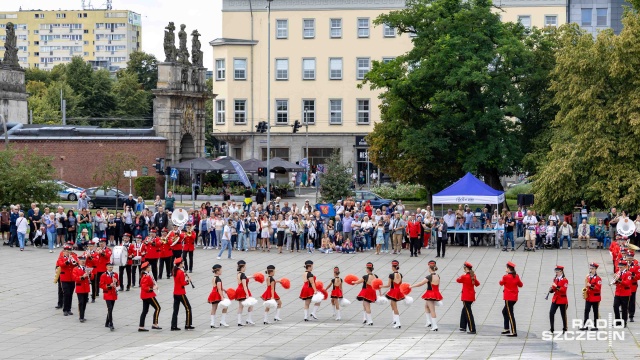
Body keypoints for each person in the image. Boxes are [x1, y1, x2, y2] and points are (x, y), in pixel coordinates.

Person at [411, 260, 442, 331]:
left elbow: (420, 284)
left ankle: (435, 326)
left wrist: (411, 286)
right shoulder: (438, 276)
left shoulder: (429, 277)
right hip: (435, 292)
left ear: (430, 269)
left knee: (432, 309)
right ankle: (428, 322)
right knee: (426, 306)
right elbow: (438, 285)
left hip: (430, 293)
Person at [171, 257, 194, 331]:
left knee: (175, 310)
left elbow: (178, 279)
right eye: (182, 263)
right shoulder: (180, 272)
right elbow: (183, 283)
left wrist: (184, 275)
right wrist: (188, 281)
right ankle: (188, 324)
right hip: (181, 293)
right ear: (180, 264)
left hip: (175, 292)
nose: (183, 264)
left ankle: (173, 326)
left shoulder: (175, 271)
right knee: (188, 308)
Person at [457, 262, 480, 334]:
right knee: (464, 310)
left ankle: (472, 329)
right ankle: (463, 326)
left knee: (468, 313)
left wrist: (461, 275)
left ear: (466, 268)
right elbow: (477, 284)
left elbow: (458, 280)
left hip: (466, 296)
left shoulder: (464, 276)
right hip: (471, 296)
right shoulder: (473, 275)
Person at [499, 261, 522, 337]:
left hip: (508, 298)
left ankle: (514, 331)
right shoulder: (516, 276)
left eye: (506, 267)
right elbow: (520, 284)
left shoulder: (505, 277)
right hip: (514, 297)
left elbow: (501, 283)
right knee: (504, 311)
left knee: (510, 314)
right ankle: (506, 328)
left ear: (509, 269)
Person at [380, 260, 405, 329]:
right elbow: (401, 284)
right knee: (392, 304)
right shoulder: (400, 274)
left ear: (393, 267)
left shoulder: (391, 275)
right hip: (398, 290)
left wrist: (381, 286)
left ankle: (398, 323)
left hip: (394, 291)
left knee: (395, 307)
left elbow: (388, 285)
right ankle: (394, 320)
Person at [138, 262, 161, 332]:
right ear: (146, 268)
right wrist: (153, 288)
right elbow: (145, 287)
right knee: (157, 308)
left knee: (145, 311)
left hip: (145, 295)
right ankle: (155, 324)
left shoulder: (147, 275)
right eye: (149, 267)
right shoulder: (146, 276)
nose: (150, 268)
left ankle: (141, 326)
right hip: (148, 295)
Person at [354, 262, 378, 326]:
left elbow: (358, 282)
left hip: (366, 291)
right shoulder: (375, 276)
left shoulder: (365, 277)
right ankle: (365, 318)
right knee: (365, 305)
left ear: (367, 269)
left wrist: (353, 282)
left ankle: (370, 321)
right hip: (372, 291)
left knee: (367, 306)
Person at [579, 262, 602, 330]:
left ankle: (595, 326)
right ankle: (585, 325)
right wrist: (585, 289)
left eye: (592, 269)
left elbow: (598, 288)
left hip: (595, 298)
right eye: (590, 268)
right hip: (589, 297)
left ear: (595, 269)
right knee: (586, 310)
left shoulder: (598, 278)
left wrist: (590, 285)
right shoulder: (588, 277)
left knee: (595, 311)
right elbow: (586, 285)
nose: (591, 270)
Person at [57, 245, 78, 316]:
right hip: (64, 278)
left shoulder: (74, 257)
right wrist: (68, 260)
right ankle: (65, 309)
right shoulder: (61, 257)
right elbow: (61, 264)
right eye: (67, 251)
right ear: (64, 251)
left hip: (72, 278)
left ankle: (69, 309)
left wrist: (73, 260)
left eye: (69, 251)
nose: (68, 252)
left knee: (71, 294)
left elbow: (77, 264)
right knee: (66, 293)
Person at [548, 265, 569, 333]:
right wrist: (551, 290)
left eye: (557, 272)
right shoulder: (555, 279)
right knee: (551, 313)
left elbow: (563, 290)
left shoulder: (565, 280)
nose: (556, 273)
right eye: (556, 272)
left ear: (561, 271)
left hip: (562, 299)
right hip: (555, 299)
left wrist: (556, 286)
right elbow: (554, 289)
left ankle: (565, 328)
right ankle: (552, 328)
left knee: (563, 314)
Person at [99, 263, 119, 331]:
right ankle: (111, 323)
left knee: (111, 309)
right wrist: (109, 285)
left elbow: (118, 284)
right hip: (107, 294)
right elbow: (101, 285)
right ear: (106, 267)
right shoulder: (103, 275)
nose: (111, 268)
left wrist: (116, 282)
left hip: (113, 294)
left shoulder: (115, 274)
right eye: (110, 267)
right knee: (110, 308)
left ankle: (107, 322)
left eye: (112, 267)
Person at [208, 264, 229, 328]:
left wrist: (224, 289)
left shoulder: (214, 278)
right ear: (217, 271)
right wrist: (222, 297)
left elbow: (216, 287)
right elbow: (219, 289)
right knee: (225, 307)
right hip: (217, 294)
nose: (221, 271)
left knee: (214, 308)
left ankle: (212, 323)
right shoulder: (218, 279)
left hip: (213, 294)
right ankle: (222, 321)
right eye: (221, 270)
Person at [613, 260, 633, 327]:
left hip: (625, 293)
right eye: (619, 267)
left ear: (625, 267)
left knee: (624, 308)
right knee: (615, 306)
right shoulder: (618, 272)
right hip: (618, 292)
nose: (620, 269)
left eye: (621, 267)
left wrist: (619, 279)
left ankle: (624, 322)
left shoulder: (628, 273)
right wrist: (615, 280)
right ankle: (618, 321)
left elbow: (627, 283)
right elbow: (616, 282)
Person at [235, 260, 254, 326]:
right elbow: (244, 285)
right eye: (245, 267)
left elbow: (245, 277)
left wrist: (252, 276)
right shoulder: (242, 275)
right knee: (251, 305)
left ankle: (239, 321)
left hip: (238, 290)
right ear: (242, 267)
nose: (245, 268)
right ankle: (249, 319)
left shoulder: (239, 274)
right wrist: (247, 295)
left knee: (240, 306)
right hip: (243, 290)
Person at [72, 255, 91, 323]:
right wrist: (82, 277)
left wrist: (90, 275)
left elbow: (92, 277)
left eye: (84, 261)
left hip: (86, 288)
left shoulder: (87, 268)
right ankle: (81, 316)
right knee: (81, 302)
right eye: (81, 261)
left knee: (85, 302)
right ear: (79, 261)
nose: (83, 262)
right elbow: (74, 278)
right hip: (80, 287)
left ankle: (83, 315)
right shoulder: (75, 269)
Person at [627, 251, 639, 322]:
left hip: (633, 286)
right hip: (625, 285)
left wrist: (633, 276)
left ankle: (631, 315)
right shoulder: (623, 264)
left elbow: (638, 276)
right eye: (628, 257)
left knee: (632, 300)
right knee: (625, 300)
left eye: (630, 258)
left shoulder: (636, 265)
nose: (629, 259)